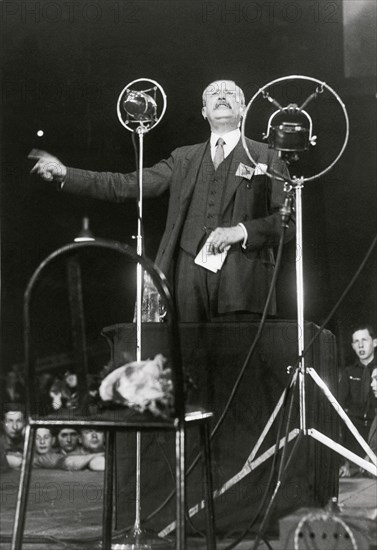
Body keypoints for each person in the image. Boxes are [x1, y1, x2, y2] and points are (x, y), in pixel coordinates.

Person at [29, 79, 295, 322]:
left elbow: (287, 222)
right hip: (186, 281)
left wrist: (241, 231)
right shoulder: (183, 158)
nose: (222, 96)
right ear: (204, 111)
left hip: (243, 281)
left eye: (230, 93)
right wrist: (67, 174)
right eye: (213, 93)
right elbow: (126, 184)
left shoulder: (268, 156)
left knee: (240, 365)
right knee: (188, 366)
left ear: (244, 109)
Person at [339, 325, 377, 477]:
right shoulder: (349, 372)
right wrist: (343, 460)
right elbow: (338, 404)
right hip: (354, 434)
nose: (361, 345)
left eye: (364, 340)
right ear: (353, 346)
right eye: (356, 342)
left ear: (374, 342)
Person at [0, 404, 25, 469]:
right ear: (2, 424)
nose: (15, 426)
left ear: (24, 423)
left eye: (18, 421)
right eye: (10, 421)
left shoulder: (29, 445)